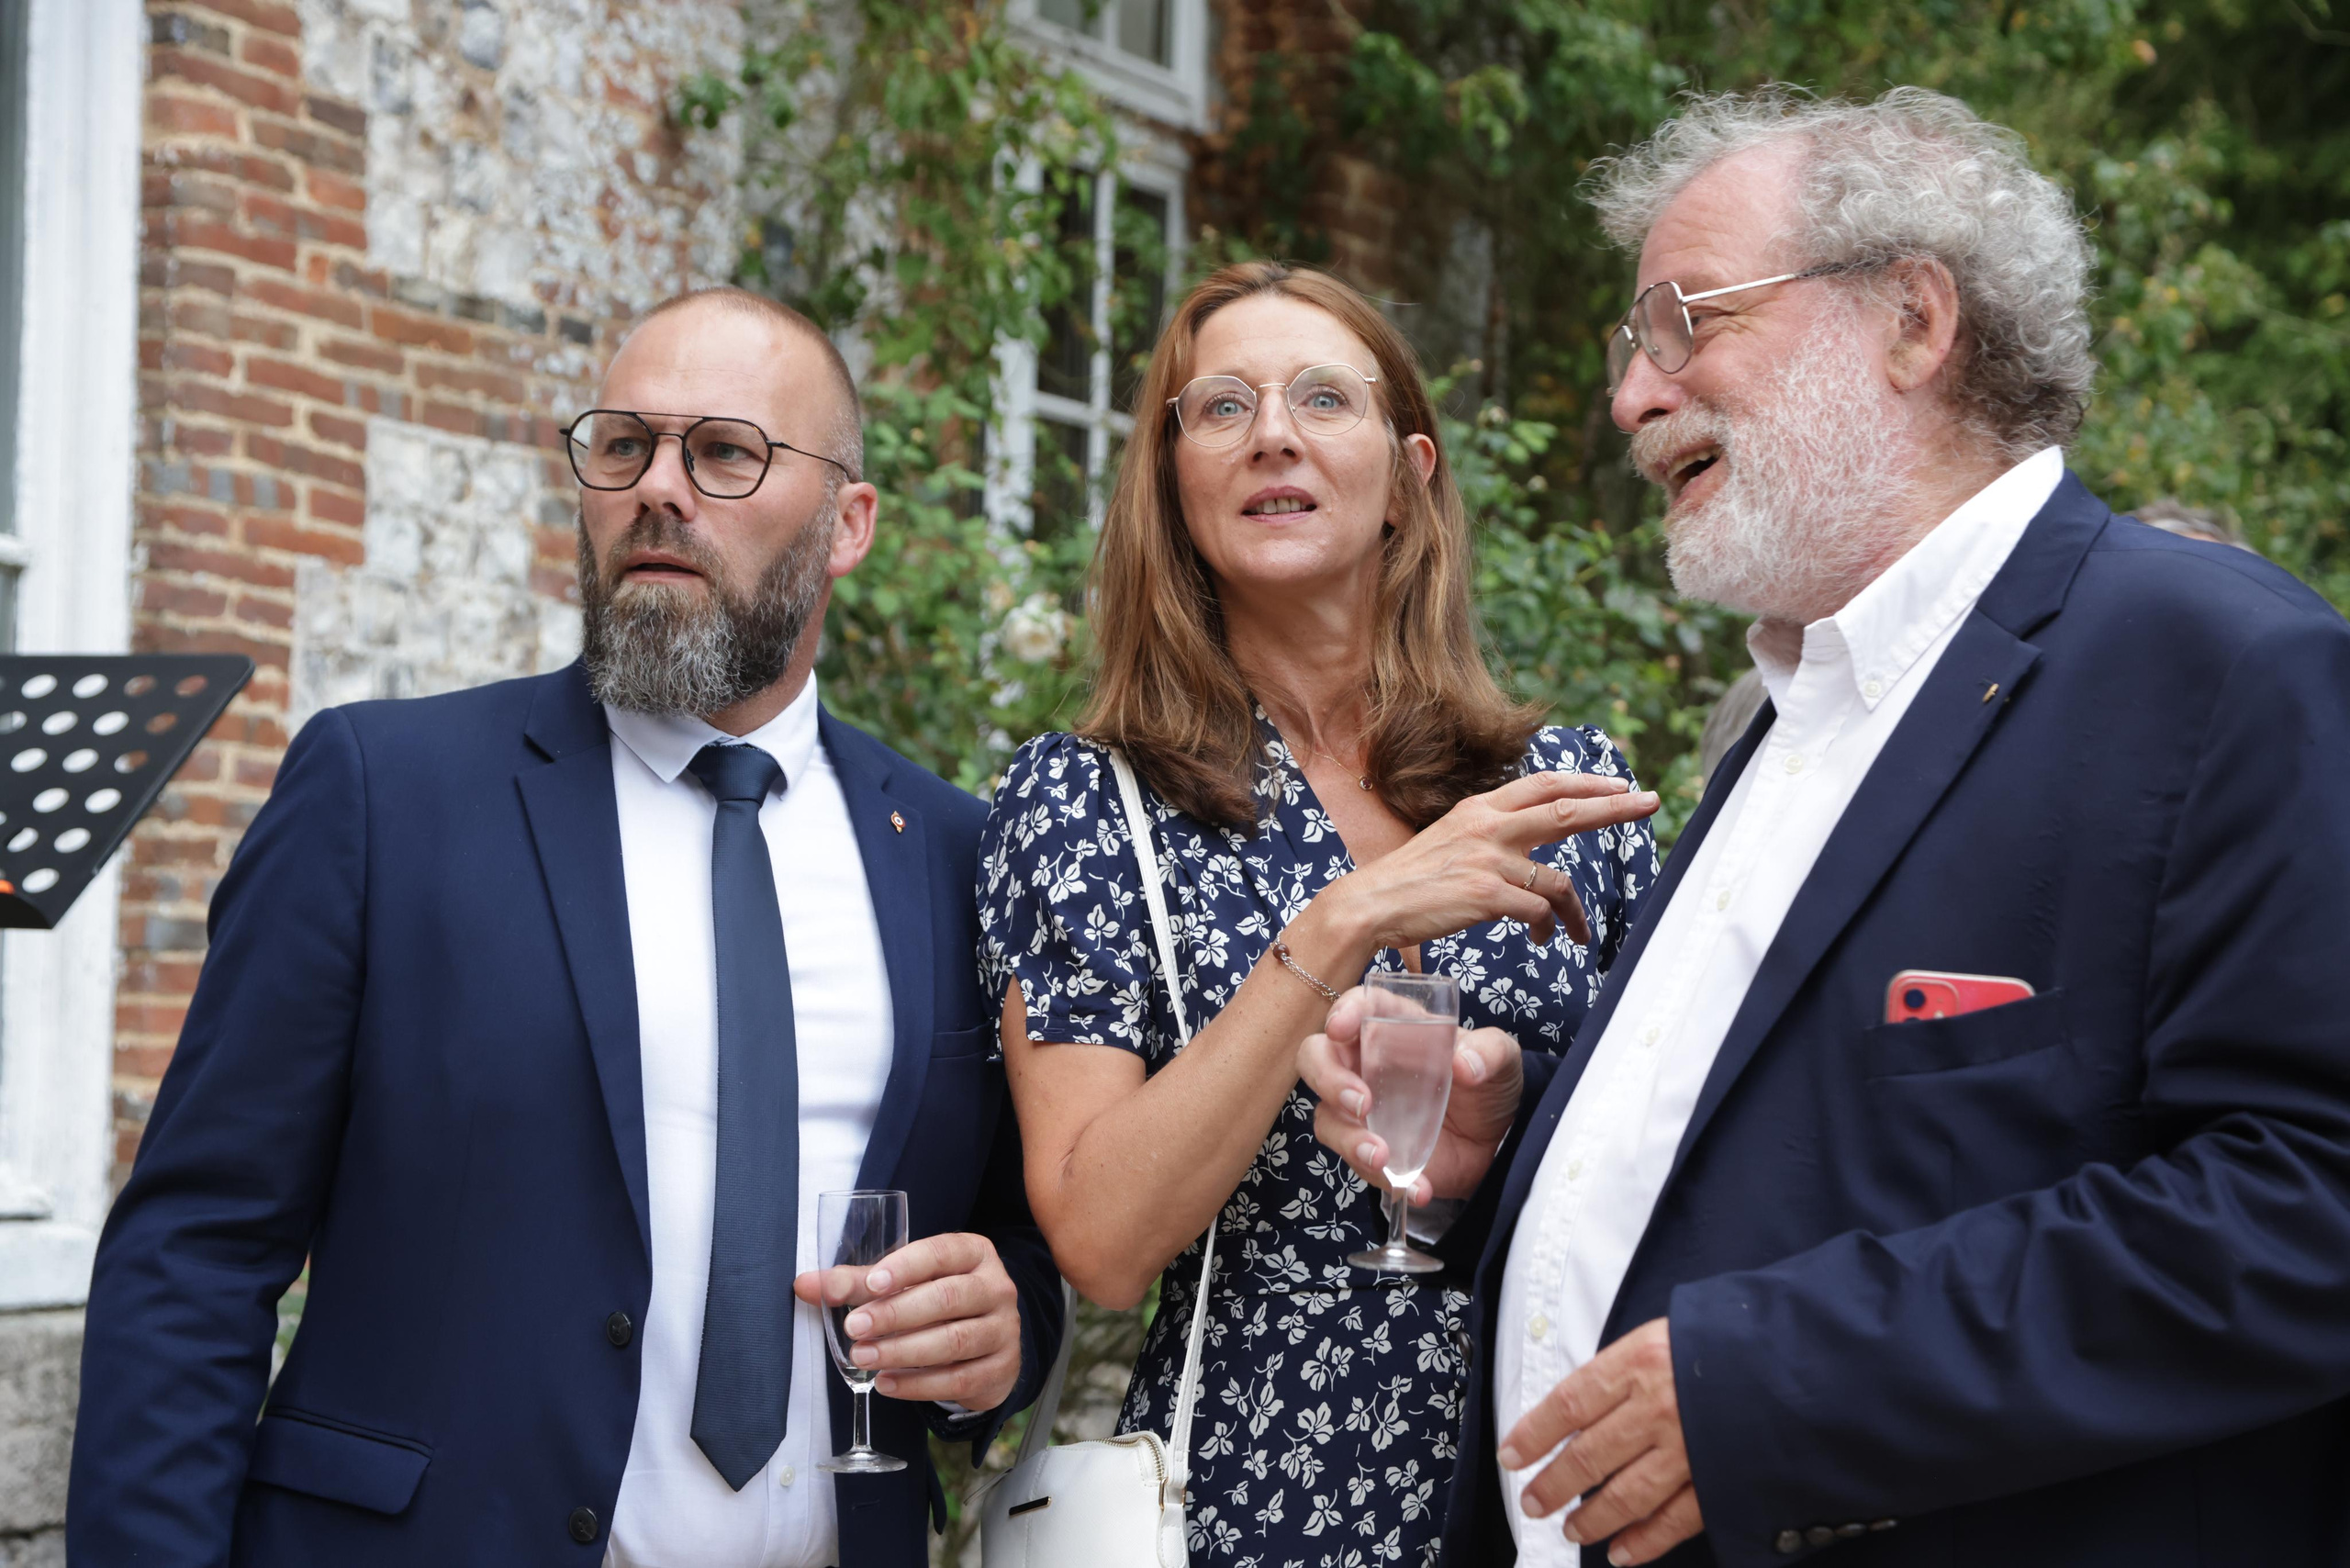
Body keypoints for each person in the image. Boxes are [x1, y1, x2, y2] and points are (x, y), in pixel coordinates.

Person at [1304, 87, 2350, 1566]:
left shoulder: (2222, 667)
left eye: (1683, 321)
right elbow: (1819, 1158)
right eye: (1627, 346)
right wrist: (1515, 1154)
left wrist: (1777, 1390)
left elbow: (2313, 1203)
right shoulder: (1797, 717)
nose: (1631, 398)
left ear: (1914, 322)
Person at [68, 286, 1062, 1568]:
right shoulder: (384, 795)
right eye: (621, 447)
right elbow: (194, 1255)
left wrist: (1005, 1336)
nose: (659, 487)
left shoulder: (953, 853)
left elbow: (1015, 1243)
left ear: (848, 522)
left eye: (722, 452)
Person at [977, 260, 1661, 1568]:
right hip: (1252, 1498)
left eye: (1322, 400)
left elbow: (1682, 1162)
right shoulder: (1085, 805)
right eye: (1220, 407)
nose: (1271, 432)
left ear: (1412, 475)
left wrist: (1509, 1106)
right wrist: (1337, 925)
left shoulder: (1566, 790)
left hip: (1554, 1481)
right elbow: (1103, 1241)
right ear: (1174, 482)